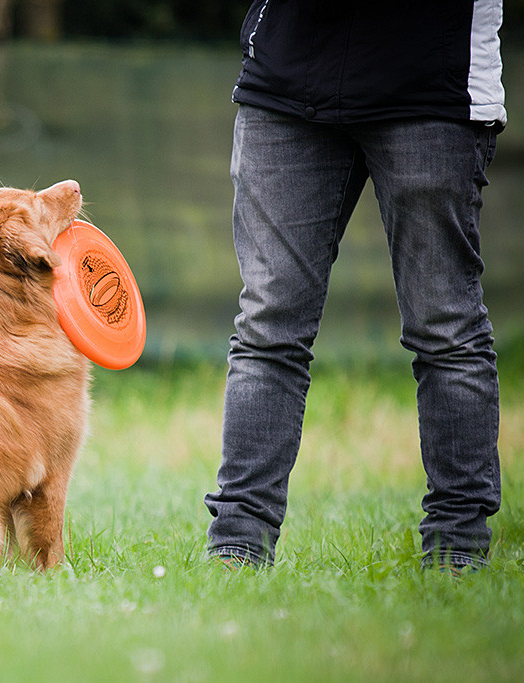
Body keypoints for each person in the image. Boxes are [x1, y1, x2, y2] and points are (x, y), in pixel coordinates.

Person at [204, 1, 505, 573]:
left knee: (445, 330)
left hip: (431, 87)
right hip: (287, 81)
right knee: (267, 326)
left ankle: (457, 548)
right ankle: (237, 545)